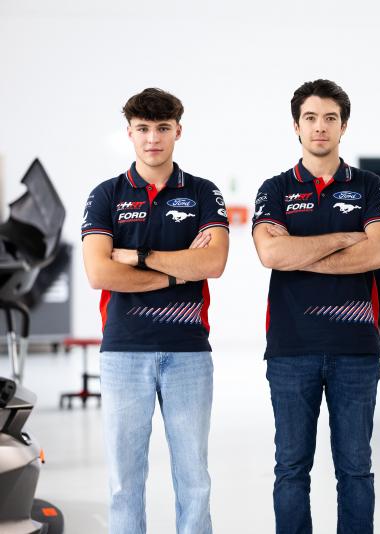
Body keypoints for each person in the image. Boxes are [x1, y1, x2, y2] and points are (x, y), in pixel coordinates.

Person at [81, 87, 230, 534]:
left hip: (188, 352)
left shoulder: (203, 193)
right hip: (123, 352)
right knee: (124, 483)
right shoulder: (106, 195)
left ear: (178, 131)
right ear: (129, 132)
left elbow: (213, 263)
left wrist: (137, 257)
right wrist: (176, 273)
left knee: (194, 481)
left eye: (162, 128)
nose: (153, 138)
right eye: (143, 128)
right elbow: (99, 272)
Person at [251, 79, 380, 534]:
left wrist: (300, 252)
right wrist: (344, 239)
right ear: (296, 126)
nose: (320, 127)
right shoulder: (275, 189)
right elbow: (271, 254)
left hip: (356, 350)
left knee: (356, 470)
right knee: (291, 469)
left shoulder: (369, 186)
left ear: (343, 126)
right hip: (291, 350)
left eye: (330, 118)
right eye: (310, 118)